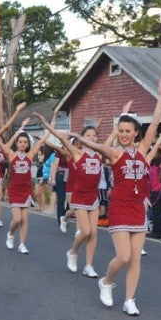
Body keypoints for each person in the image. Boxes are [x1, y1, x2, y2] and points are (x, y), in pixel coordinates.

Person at [69, 74, 161, 316]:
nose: (123, 134)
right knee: (123, 256)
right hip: (120, 207)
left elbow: (155, 124)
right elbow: (97, 147)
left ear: (135, 133)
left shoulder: (143, 150)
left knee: (136, 259)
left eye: (127, 131)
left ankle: (130, 300)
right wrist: (83, 140)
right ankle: (107, 281)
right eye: (120, 130)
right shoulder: (115, 154)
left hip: (138, 209)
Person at [37, 116, 107, 276]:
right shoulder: (76, 153)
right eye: (88, 135)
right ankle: (73, 252)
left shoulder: (99, 154)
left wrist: (117, 126)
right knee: (86, 232)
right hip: (79, 195)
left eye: (94, 135)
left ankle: (89, 265)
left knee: (94, 233)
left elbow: (111, 139)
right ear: (81, 139)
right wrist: (47, 124)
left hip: (93, 197)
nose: (92, 138)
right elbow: (61, 139)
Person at [0, 119, 48, 254]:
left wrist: (49, 127)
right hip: (15, 190)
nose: (23, 144)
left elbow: (41, 142)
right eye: (21, 142)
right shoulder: (11, 155)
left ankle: (22, 244)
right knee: (17, 219)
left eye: (25, 142)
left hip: (26, 190)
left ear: (28, 144)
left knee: (24, 219)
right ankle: (10, 234)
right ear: (17, 143)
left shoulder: (29, 156)